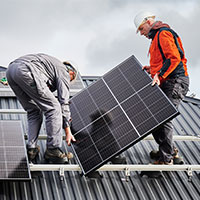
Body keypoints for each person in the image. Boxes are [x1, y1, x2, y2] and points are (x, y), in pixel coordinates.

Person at [134, 11, 189, 164]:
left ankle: (167, 158)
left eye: (141, 29)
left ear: (148, 22)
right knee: (154, 118)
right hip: (167, 80)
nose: (141, 33)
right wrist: (152, 70)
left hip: (175, 81)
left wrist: (160, 74)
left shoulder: (163, 34)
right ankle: (169, 150)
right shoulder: (156, 38)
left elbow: (174, 58)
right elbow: (162, 62)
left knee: (164, 117)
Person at [6, 53, 77, 163]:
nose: (68, 82)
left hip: (10, 71)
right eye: (70, 80)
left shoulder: (50, 65)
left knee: (34, 110)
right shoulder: (64, 71)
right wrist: (67, 130)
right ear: (71, 73)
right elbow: (64, 101)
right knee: (54, 108)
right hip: (26, 70)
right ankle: (53, 149)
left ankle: (31, 148)